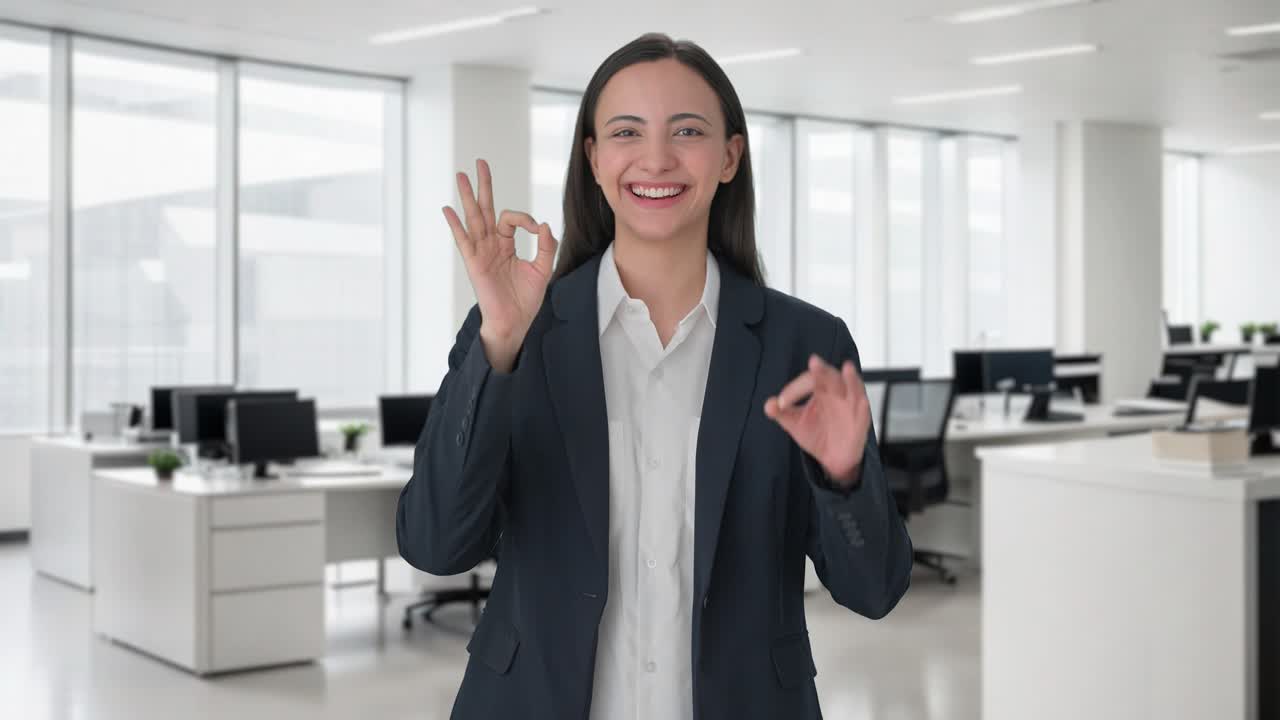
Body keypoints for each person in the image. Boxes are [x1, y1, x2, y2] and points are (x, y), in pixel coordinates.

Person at [396, 32, 912, 720]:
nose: (657, 158)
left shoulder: (804, 345)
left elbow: (873, 590)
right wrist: (499, 346)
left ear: (730, 156)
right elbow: (436, 546)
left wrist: (846, 481)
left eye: (688, 130)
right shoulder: (523, 328)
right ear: (595, 158)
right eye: (626, 132)